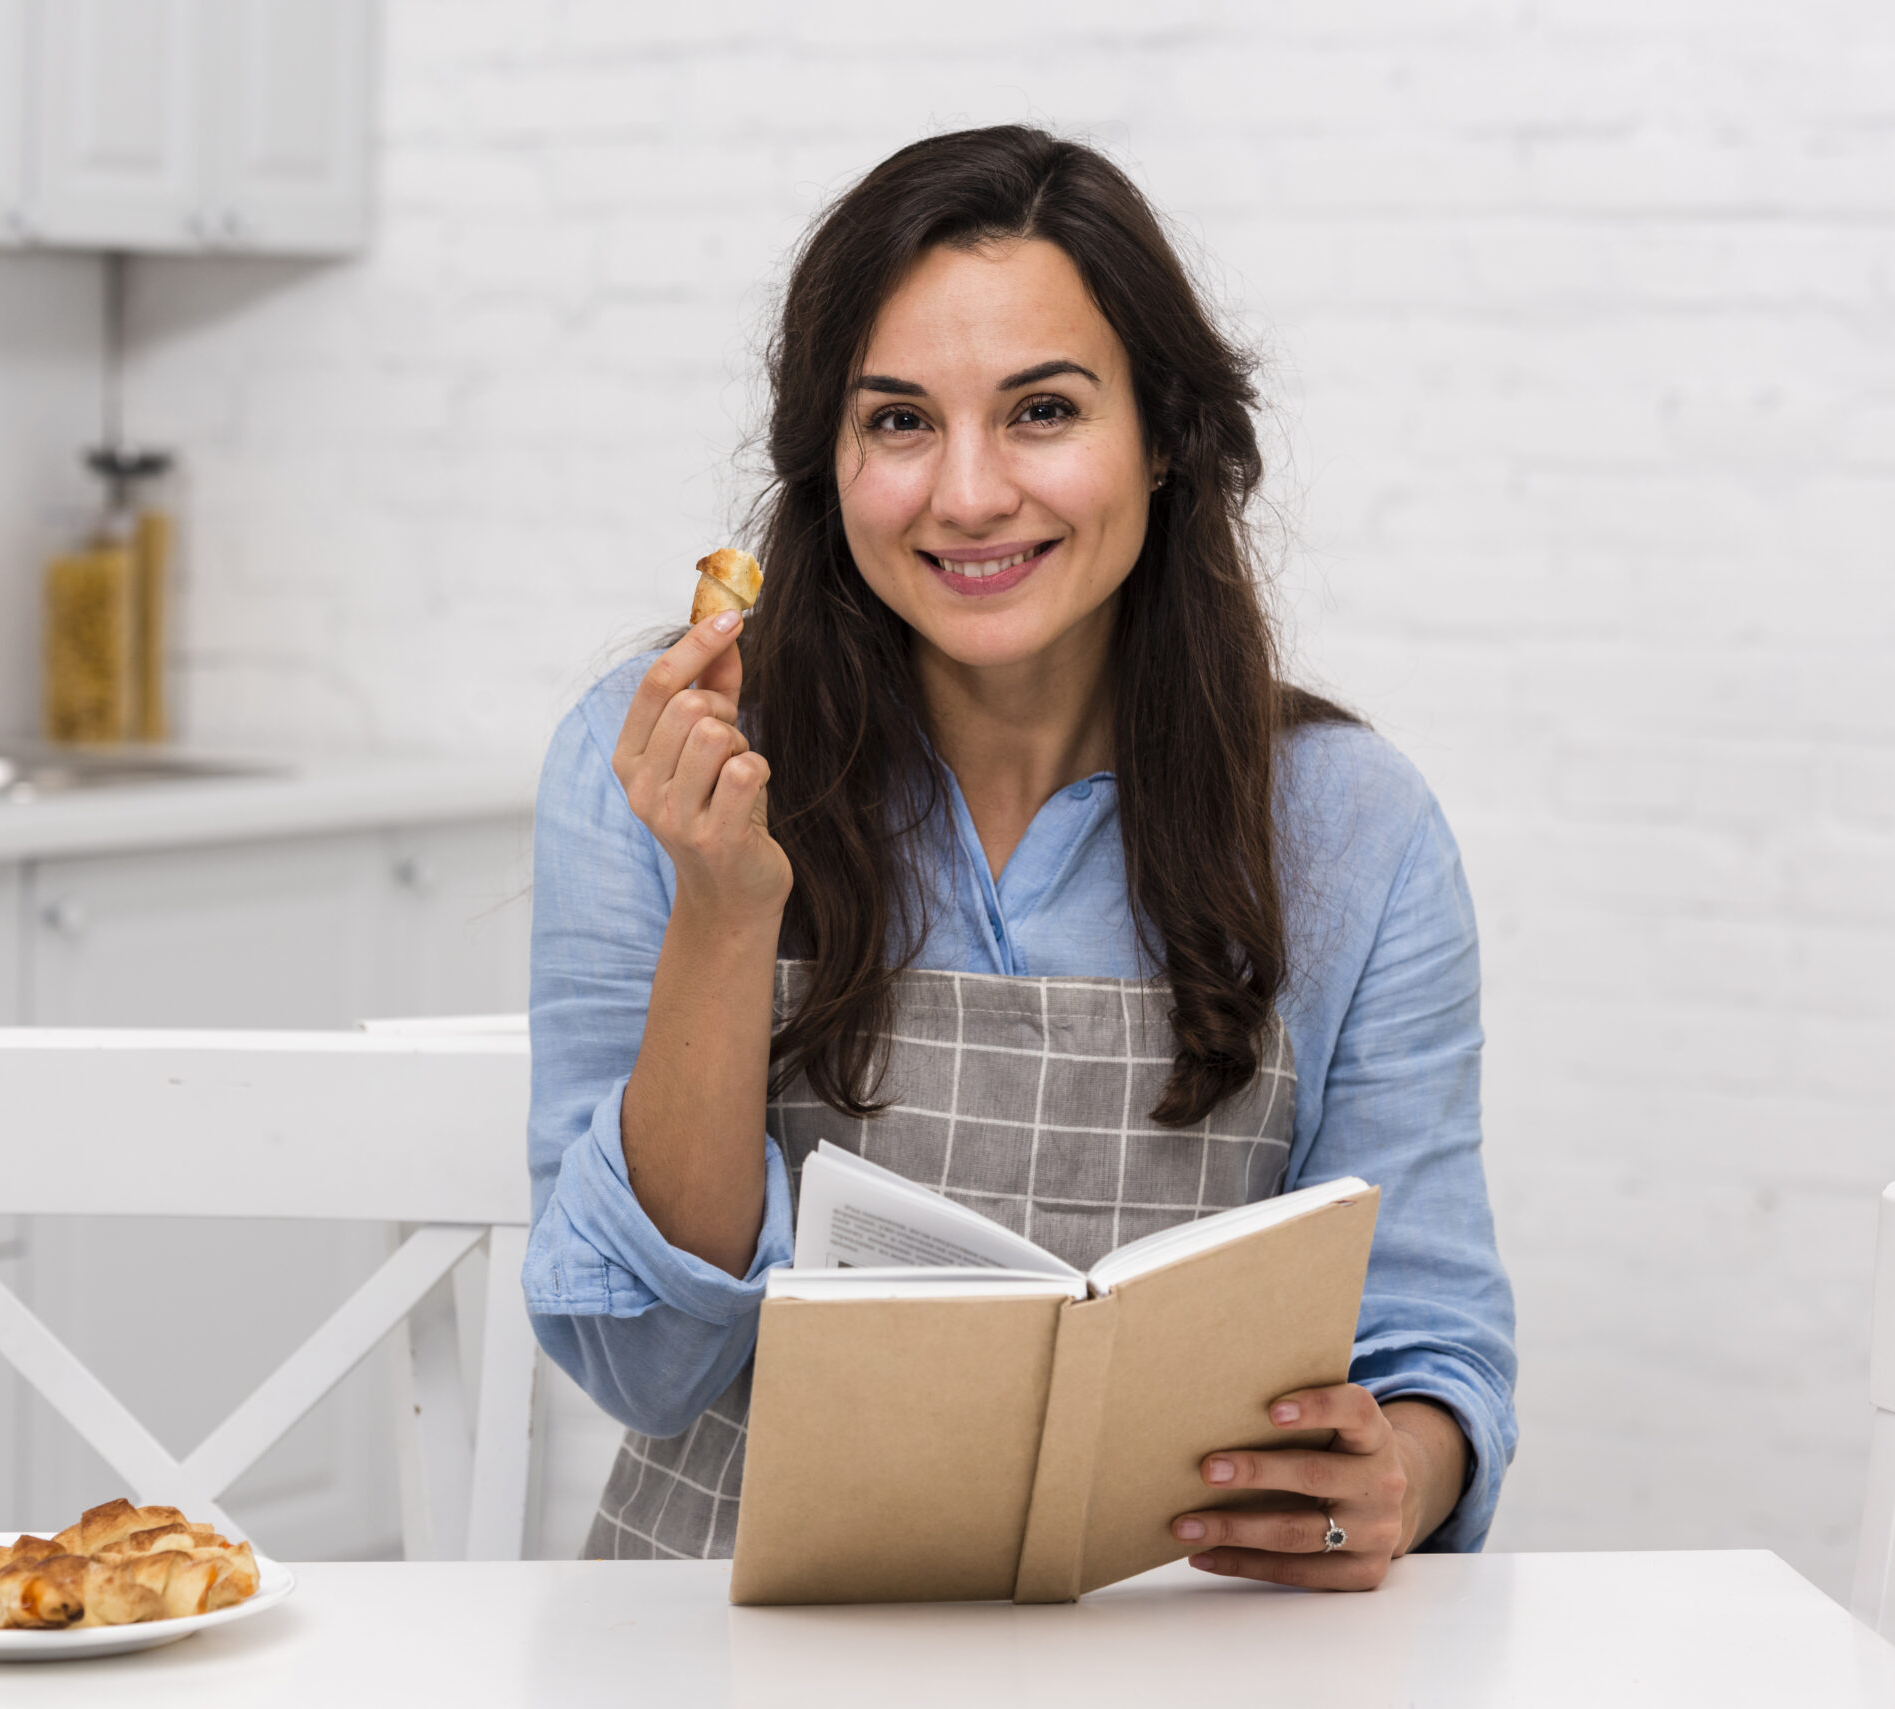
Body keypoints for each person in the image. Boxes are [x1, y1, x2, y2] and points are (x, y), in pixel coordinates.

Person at [521, 125, 1515, 1588]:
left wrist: (1393, 1474)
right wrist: (724, 916)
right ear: (829, 460)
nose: (970, 493)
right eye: (901, 421)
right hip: (714, 1627)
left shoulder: (1352, 825)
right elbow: (643, 1358)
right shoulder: (661, 763)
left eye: (1042, 410)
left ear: (1165, 437)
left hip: (1177, 1634)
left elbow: (1432, 1346)